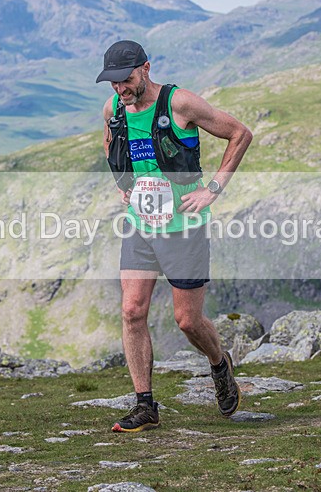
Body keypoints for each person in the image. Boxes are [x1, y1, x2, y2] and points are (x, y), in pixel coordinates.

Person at [96, 40, 253, 432]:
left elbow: (240, 134)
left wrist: (213, 189)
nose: (120, 88)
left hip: (184, 227)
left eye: (126, 79)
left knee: (187, 321)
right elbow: (110, 142)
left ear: (146, 68)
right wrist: (123, 182)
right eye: (113, 82)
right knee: (132, 311)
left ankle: (219, 364)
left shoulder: (179, 103)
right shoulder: (113, 108)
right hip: (140, 224)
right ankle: (145, 405)